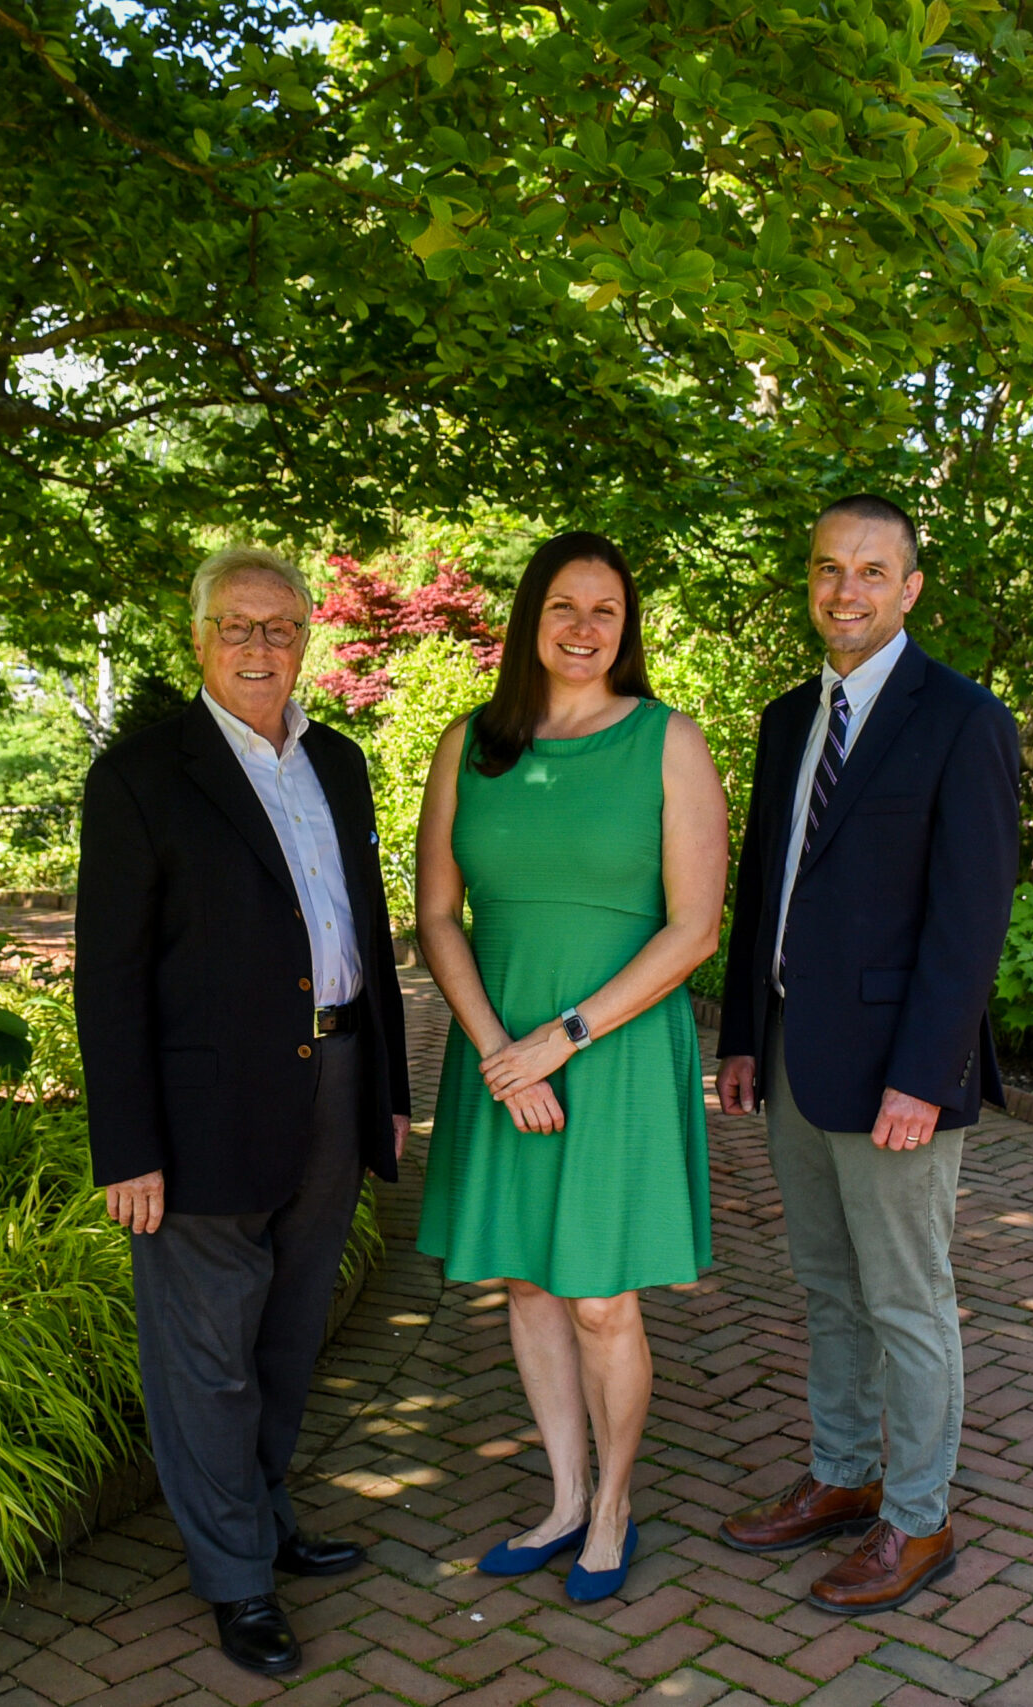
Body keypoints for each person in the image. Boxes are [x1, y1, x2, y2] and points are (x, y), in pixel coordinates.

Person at [74, 546, 413, 1676]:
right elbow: (107, 978)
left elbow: (367, 935)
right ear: (199, 639)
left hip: (334, 1083)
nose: (260, 646)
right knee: (205, 1361)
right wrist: (125, 1146)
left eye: (280, 627)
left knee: (283, 1338)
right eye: (237, 626)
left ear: (307, 639)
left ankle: (263, 1521)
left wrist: (390, 1098)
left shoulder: (343, 764)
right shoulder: (139, 777)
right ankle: (233, 1580)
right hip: (201, 1114)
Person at [712, 495, 1020, 1614]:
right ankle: (843, 1478)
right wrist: (744, 1032)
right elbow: (766, 888)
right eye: (829, 570)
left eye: (872, 571)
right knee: (825, 1286)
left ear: (910, 588)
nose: (846, 591)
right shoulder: (790, 717)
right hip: (794, 1052)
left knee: (906, 1297)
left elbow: (970, 917)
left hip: (897, 1068)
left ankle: (918, 1517)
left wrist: (923, 1077)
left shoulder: (963, 719)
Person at [413, 531, 729, 1603]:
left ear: (627, 627)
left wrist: (564, 1037)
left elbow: (694, 930)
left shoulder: (667, 740)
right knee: (530, 1281)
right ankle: (558, 1497)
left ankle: (614, 1506)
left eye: (606, 610)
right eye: (563, 606)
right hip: (500, 1052)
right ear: (528, 619)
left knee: (600, 1298)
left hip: (617, 1052)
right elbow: (437, 919)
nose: (584, 628)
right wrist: (503, 1050)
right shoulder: (472, 744)